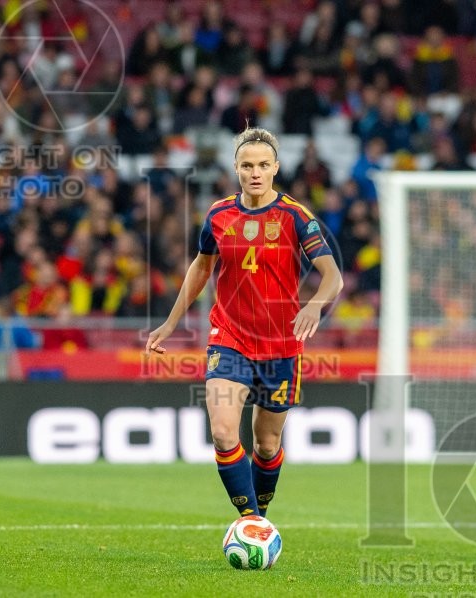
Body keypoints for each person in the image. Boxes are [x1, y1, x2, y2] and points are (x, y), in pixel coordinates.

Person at [146, 127, 343, 519]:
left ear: (276, 168)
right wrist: (170, 323)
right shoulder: (219, 214)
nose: (255, 172)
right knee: (222, 432)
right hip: (229, 337)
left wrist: (315, 306)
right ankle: (251, 524)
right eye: (247, 165)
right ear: (235, 167)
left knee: (267, 445)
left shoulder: (295, 217)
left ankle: (259, 518)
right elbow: (201, 268)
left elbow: (333, 276)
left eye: (263, 165)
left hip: (281, 345)